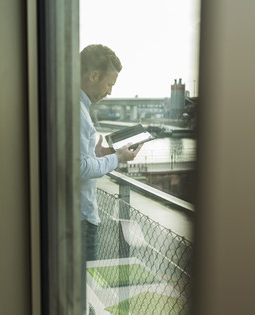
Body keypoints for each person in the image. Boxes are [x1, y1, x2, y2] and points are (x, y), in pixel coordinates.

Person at [80, 44, 142, 261]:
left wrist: (97, 153)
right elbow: (79, 168)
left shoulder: (73, 105)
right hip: (80, 220)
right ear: (93, 75)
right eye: (109, 84)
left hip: (72, 216)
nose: (110, 92)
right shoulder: (78, 112)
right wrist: (118, 157)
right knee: (83, 287)